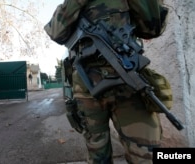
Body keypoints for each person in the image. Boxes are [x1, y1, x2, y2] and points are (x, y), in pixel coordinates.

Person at [44, 0, 170, 163]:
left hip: (129, 83)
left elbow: (154, 27)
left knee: (145, 155)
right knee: (98, 156)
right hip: (87, 86)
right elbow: (55, 32)